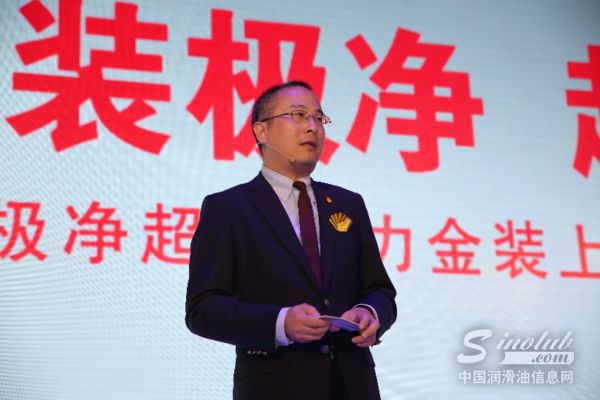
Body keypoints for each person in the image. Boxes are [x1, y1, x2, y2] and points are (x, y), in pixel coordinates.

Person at [186, 80, 396, 400]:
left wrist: (371, 312)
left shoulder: (348, 204)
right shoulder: (228, 208)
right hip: (275, 386)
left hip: (353, 386)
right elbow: (203, 309)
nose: (313, 127)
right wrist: (280, 323)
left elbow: (380, 290)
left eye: (318, 118)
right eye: (298, 115)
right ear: (261, 131)